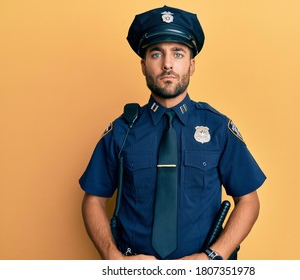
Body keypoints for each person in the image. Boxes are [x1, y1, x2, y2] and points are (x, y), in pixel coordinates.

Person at [79, 5, 266, 260]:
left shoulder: (217, 128)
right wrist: (114, 258)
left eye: (178, 54)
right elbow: (94, 200)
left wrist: (212, 257)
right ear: (143, 65)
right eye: (156, 54)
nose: (167, 64)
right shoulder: (122, 131)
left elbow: (249, 201)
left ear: (191, 65)